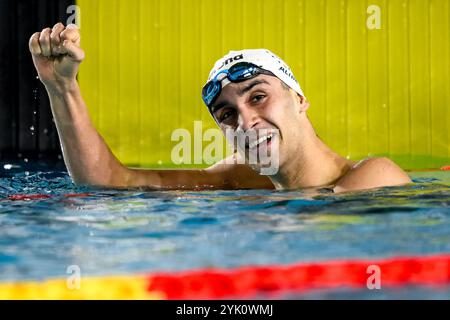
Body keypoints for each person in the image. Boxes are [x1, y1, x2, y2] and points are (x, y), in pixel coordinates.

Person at [29, 23, 411, 192]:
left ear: (299, 99)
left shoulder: (375, 177)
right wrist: (62, 87)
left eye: (257, 96)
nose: (245, 122)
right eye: (227, 114)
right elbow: (110, 182)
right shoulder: (241, 178)